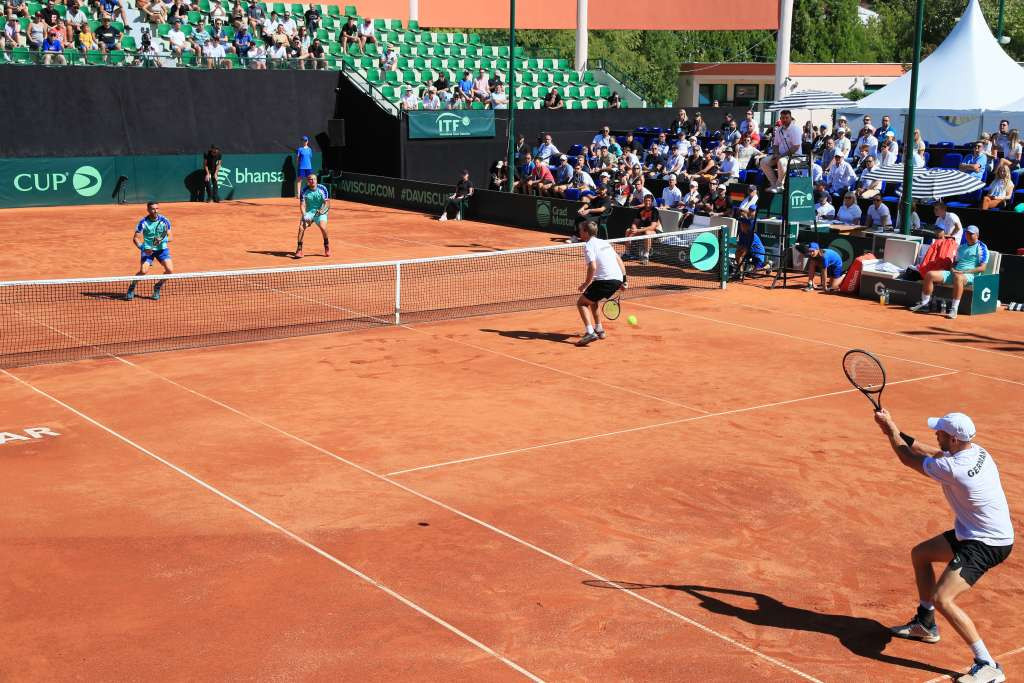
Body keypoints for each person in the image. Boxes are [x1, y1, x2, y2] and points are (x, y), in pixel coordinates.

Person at [874, 409, 1012, 683]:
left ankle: (988, 664)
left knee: (943, 598)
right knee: (921, 555)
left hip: (987, 543)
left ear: (953, 439)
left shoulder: (954, 469)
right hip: (974, 533)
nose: (936, 433)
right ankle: (925, 623)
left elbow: (908, 458)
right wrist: (896, 430)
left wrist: (890, 430)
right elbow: (935, 453)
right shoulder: (976, 451)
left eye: (940, 432)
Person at [910, 225, 989, 320]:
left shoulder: (982, 248)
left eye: (971, 234)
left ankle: (954, 308)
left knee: (958, 278)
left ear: (977, 235)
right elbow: (954, 262)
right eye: (967, 233)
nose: (968, 235)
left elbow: (982, 268)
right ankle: (925, 304)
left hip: (970, 275)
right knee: (929, 275)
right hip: (955, 273)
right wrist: (952, 269)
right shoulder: (961, 247)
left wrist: (964, 271)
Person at [574, 221, 626, 347]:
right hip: (617, 279)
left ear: (586, 232)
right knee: (593, 300)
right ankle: (599, 329)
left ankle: (590, 332)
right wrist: (624, 280)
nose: (579, 232)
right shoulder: (604, 242)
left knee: (581, 303)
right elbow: (619, 259)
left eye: (580, 230)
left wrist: (586, 284)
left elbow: (592, 266)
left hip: (605, 281)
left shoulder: (588, 246)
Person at [126, 201, 173, 301]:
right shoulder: (143, 222)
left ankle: (157, 286)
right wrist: (143, 248)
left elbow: (170, 237)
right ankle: (132, 287)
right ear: (148, 210)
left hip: (162, 249)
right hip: (148, 250)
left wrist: (162, 240)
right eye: (153, 209)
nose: (155, 211)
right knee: (143, 271)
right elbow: (135, 238)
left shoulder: (164, 220)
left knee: (169, 270)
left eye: (157, 208)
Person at [760, 109, 801, 192]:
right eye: (782, 118)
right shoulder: (779, 129)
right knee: (763, 162)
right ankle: (774, 184)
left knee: (781, 161)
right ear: (780, 118)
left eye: (787, 118)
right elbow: (775, 145)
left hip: (795, 157)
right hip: (780, 155)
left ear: (790, 118)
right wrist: (776, 154)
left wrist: (781, 156)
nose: (784, 120)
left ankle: (780, 186)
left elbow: (796, 147)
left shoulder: (795, 129)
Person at [294, 173, 330, 259]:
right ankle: (299, 249)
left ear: (316, 180)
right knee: (301, 228)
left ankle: (326, 245)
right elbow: (302, 205)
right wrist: (305, 215)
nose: (313, 181)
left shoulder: (323, 189)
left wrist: (321, 211)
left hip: (321, 211)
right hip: (309, 212)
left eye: (314, 179)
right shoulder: (304, 190)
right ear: (308, 181)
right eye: (310, 179)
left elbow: (327, 204)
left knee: (323, 227)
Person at [624, 194, 661, 263]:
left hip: (656, 231)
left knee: (647, 233)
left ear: (652, 202)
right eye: (646, 200)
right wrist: (634, 228)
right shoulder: (640, 210)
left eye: (649, 201)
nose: (647, 202)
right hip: (643, 229)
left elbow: (652, 227)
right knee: (628, 231)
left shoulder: (655, 211)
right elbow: (635, 222)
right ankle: (627, 253)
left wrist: (638, 230)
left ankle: (646, 256)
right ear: (644, 201)